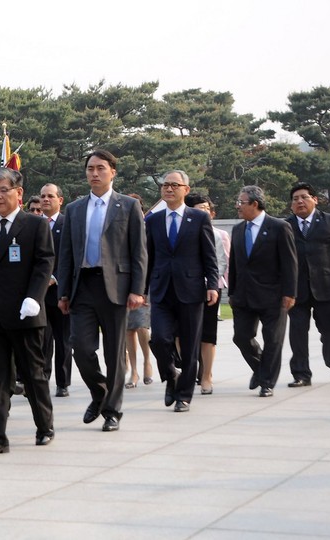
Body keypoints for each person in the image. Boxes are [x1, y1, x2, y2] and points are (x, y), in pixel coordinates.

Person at [57, 149, 147, 432]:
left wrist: (137, 290)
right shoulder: (74, 208)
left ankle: (112, 411)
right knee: (81, 349)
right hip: (83, 286)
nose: (94, 173)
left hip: (117, 289)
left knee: (114, 352)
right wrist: (64, 292)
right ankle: (100, 391)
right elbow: (66, 254)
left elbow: (139, 252)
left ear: (112, 172)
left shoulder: (129, 206)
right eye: (90, 169)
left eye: (100, 168)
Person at [0, 167, 55, 457]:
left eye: (2, 190)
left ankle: (44, 426)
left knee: (32, 374)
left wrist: (34, 297)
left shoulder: (34, 226)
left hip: (25, 314)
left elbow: (44, 264)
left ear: (18, 193)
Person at [145, 171, 219, 412]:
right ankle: (170, 376)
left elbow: (209, 255)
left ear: (185, 190)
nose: (169, 189)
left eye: (174, 185)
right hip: (161, 289)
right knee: (159, 339)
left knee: (189, 346)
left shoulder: (198, 218)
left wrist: (212, 285)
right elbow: (149, 257)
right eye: (165, 185)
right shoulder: (153, 220)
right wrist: (141, 289)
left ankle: (184, 395)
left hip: (191, 289)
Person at [229, 185, 297, 398]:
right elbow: (235, 264)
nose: (237, 206)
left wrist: (290, 293)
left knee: (273, 340)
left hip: (273, 295)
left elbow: (290, 263)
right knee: (241, 337)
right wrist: (232, 292)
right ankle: (260, 368)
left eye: (241, 202)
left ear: (255, 204)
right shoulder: (238, 229)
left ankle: (267, 382)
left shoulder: (279, 227)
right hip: (243, 295)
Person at [285, 183, 330, 386]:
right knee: (297, 335)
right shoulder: (285, 226)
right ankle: (301, 374)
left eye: (304, 197)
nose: (300, 201)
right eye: (295, 199)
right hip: (296, 291)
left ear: (315, 199)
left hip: (327, 288)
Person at [184, 193, 229, 394]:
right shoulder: (182, 231)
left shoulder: (220, 235)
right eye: (197, 208)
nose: (202, 212)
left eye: (205, 208)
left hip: (210, 287)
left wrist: (214, 283)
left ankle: (206, 376)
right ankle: (189, 369)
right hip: (185, 286)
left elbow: (224, 262)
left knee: (208, 334)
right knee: (182, 332)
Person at [39, 183, 72, 397]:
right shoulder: (32, 224)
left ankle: (63, 382)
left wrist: (55, 278)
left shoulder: (67, 223)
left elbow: (70, 257)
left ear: (60, 200)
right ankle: (42, 378)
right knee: (41, 340)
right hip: (38, 294)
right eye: (42, 196)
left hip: (60, 292)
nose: (45, 200)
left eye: (50, 196)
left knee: (62, 340)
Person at [124, 193, 153, 389]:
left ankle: (147, 362)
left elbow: (148, 260)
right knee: (128, 329)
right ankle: (133, 370)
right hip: (121, 286)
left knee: (142, 327)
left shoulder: (148, 228)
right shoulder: (119, 228)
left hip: (143, 285)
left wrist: (145, 289)